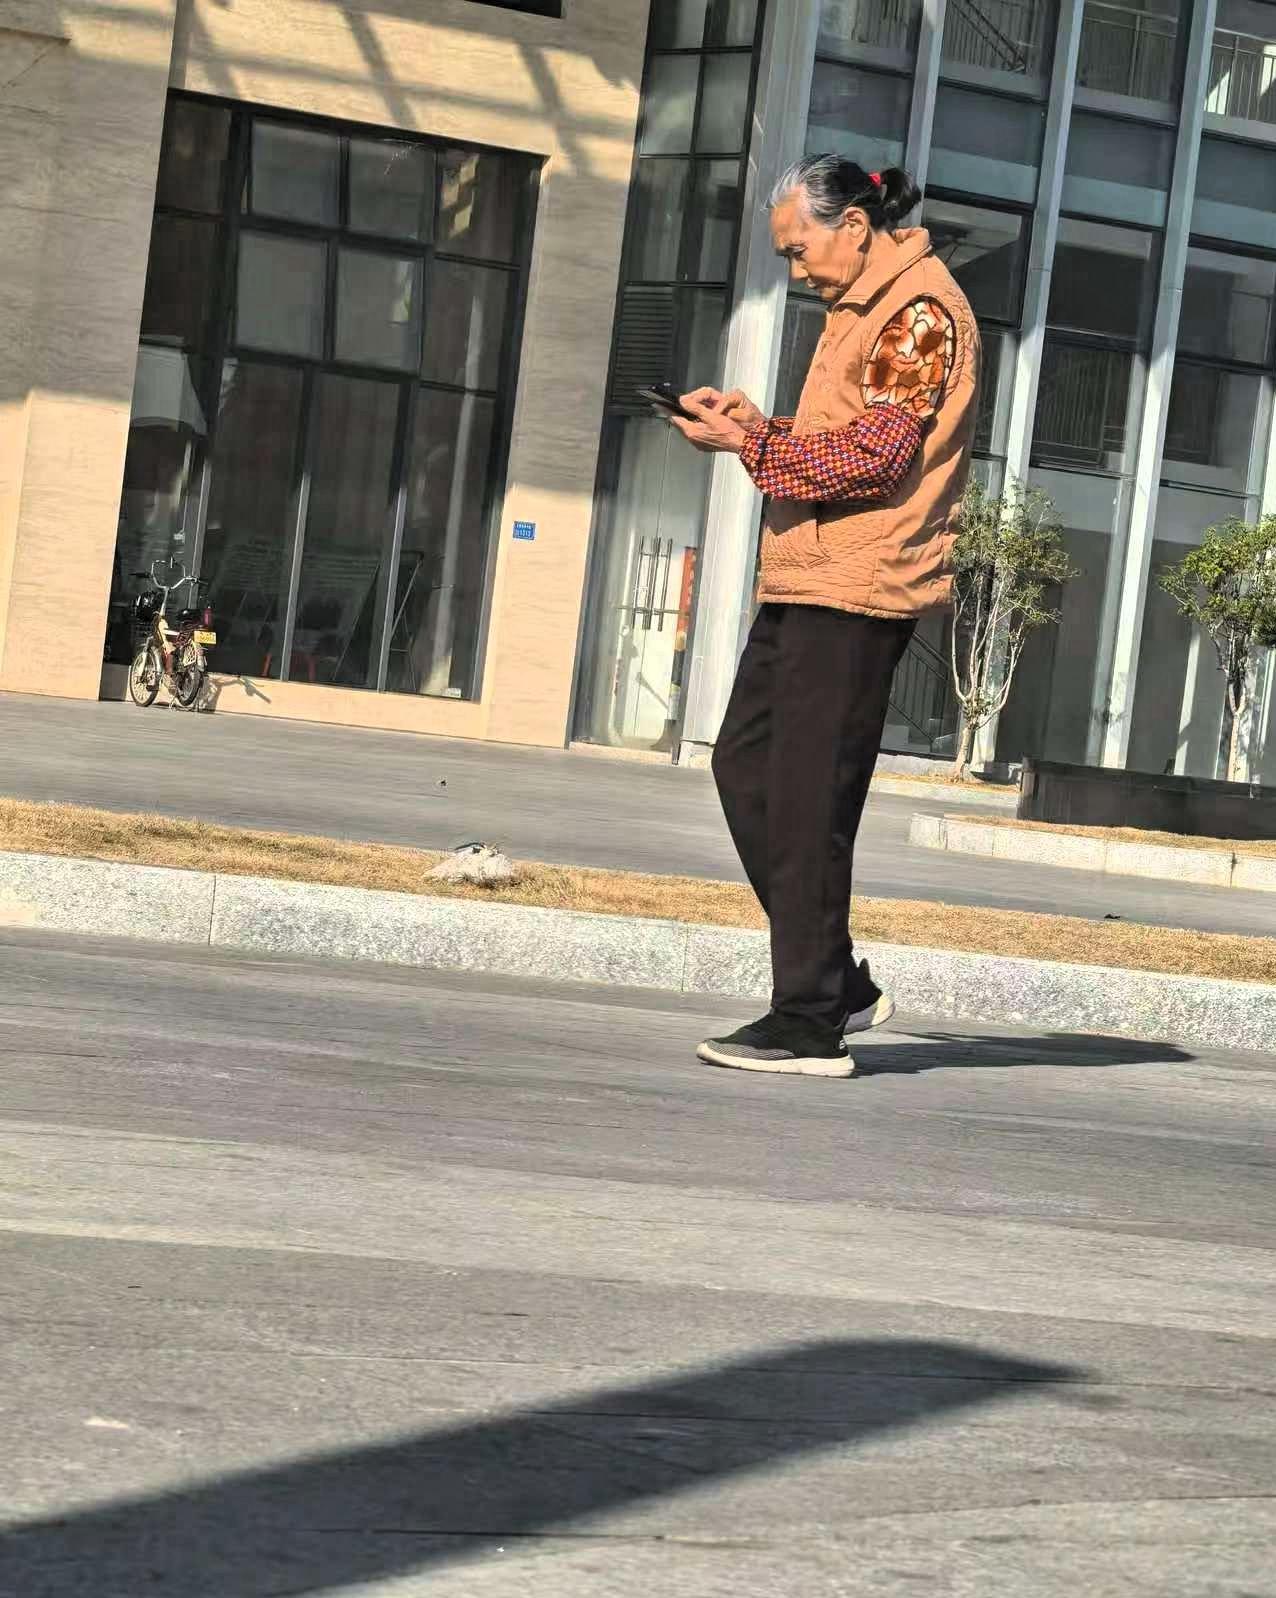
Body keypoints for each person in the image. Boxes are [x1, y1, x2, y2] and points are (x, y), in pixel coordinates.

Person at [666, 155, 980, 1078]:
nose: (795, 269)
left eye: (798, 250)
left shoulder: (919, 312)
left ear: (853, 226)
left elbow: (874, 461)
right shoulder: (862, 306)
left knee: (809, 803)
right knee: (743, 765)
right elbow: (840, 441)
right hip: (810, 575)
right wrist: (756, 427)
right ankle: (836, 981)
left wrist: (749, 442)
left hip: (861, 584)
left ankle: (808, 1021)